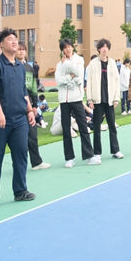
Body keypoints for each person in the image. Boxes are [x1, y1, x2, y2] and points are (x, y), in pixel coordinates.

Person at [0, 29, 38, 208]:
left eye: (15, 39)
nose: (14, 42)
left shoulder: (20, 66)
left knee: (21, 156)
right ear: (1, 44)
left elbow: (24, 91)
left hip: (19, 120)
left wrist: (29, 111)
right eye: (9, 39)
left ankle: (20, 191)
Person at [55, 39, 95, 168]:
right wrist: (69, 76)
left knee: (83, 126)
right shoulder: (59, 64)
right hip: (64, 100)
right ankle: (69, 158)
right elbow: (58, 81)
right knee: (66, 129)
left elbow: (78, 74)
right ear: (62, 50)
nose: (68, 49)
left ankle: (89, 155)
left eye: (69, 46)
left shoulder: (79, 60)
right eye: (65, 47)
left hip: (76, 98)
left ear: (73, 47)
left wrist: (67, 70)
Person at [86, 39, 123, 163]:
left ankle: (115, 150)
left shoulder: (112, 63)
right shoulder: (93, 64)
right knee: (97, 127)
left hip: (110, 100)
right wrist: (90, 99)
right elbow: (89, 82)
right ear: (98, 49)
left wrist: (116, 98)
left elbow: (117, 81)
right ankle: (97, 153)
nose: (105, 49)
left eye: (107, 47)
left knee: (112, 125)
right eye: (102, 47)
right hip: (97, 100)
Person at [16, 42, 51, 171]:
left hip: (29, 107)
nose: (21, 51)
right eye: (19, 49)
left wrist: (35, 105)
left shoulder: (29, 68)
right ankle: (19, 164)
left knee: (32, 135)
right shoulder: (12, 66)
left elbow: (33, 88)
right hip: (16, 106)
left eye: (23, 49)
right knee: (17, 138)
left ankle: (36, 162)